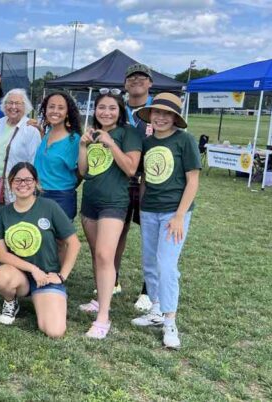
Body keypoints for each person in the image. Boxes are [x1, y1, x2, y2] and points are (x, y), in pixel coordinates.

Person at [131, 92, 201, 349]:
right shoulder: (147, 142)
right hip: (149, 210)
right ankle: (156, 311)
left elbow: (193, 179)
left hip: (174, 212)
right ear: (150, 115)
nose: (161, 117)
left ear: (175, 117)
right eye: (156, 112)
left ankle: (170, 321)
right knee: (150, 262)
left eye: (167, 113)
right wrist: (142, 205)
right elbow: (146, 178)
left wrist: (180, 215)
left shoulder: (185, 140)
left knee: (167, 265)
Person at [77, 91, 142, 339]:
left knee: (106, 255)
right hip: (91, 200)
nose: (106, 112)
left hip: (114, 202)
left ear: (120, 111)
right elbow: (84, 171)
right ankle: (100, 298)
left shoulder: (129, 134)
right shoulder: (91, 134)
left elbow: (131, 168)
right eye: (101, 107)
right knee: (96, 254)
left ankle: (103, 317)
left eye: (112, 108)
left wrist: (111, 143)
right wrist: (84, 146)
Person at [0, 162, 80, 337]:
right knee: (1, 278)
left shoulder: (49, 207)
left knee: (55, 331)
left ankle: (48, 297)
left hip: (47, 277)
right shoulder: (3, 214)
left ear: (36, 182)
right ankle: (11, 301)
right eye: (17, 180)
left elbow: (74, 243)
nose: (23, 184)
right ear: (10, 183)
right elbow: (1, 255)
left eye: (28, 179)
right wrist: (33, 269)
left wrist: (62, 276)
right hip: (21, 275)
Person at [0, 88, 41, 276]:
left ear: (26, 107)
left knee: (16, 223)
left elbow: (34, 160)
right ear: (4, 106)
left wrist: (29, 187)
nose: (13, 107)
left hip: (18, 186)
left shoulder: (30, 129)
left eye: (18, 103)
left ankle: (15, 261)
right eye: (9, 103)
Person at [122, 63, 155, 312]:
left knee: (149, 238)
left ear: (150, 83)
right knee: (115, 233)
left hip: (149, 182)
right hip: (120, 180)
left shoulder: (158, 109)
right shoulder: (116, 109)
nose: (136, 81)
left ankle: (148, 290)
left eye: (142, 77)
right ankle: (111, 281)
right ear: (125, 83)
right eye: (131, 77)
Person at [33, 91, 82, 220]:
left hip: (61, 198)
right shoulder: (47, 134)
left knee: (59, 239)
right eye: (51, 106)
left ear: (67, 113)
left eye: (61, 108)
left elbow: (81, 172)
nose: (55, 111)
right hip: (38, 195)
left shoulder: (74, 140)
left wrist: (64, 188)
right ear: (45, 110)